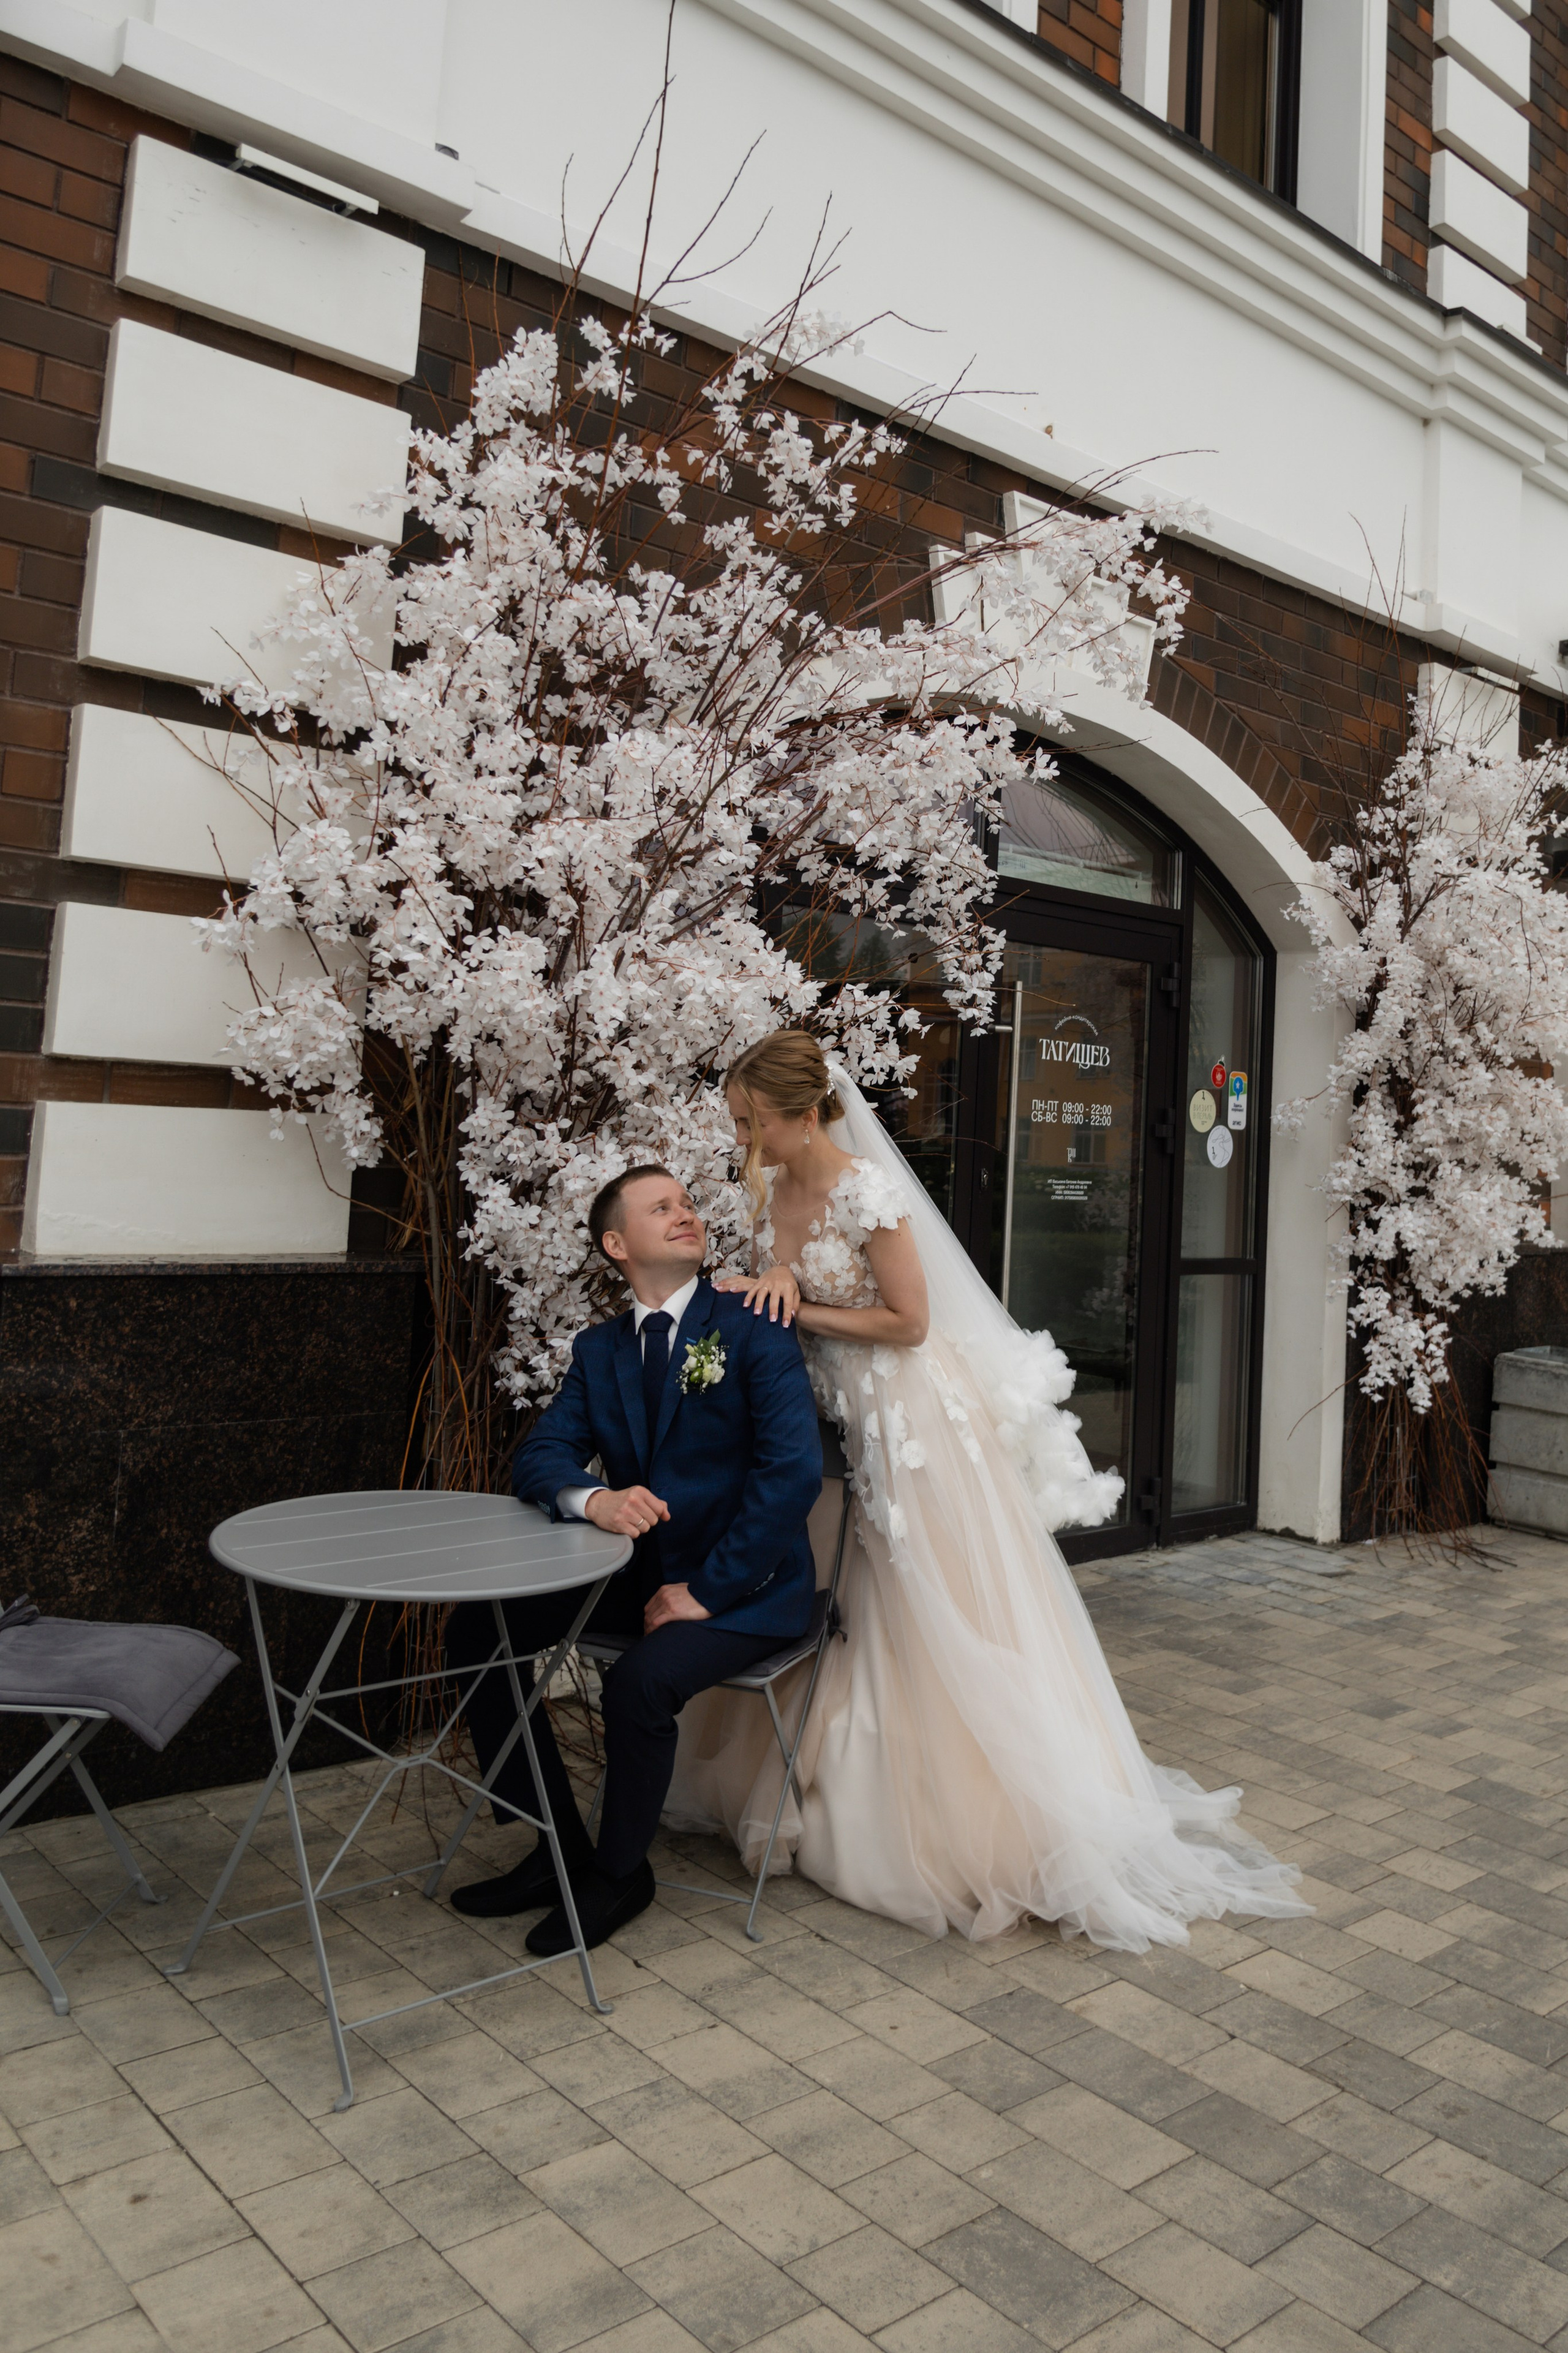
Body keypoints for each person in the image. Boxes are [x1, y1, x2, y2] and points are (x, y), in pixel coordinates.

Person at [668, 1030, 1310, 1951]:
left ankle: (963, 1817)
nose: (742, 1138)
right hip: (820, 1415)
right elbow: (790, 1280)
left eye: (752, 1120)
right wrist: (771, 1277)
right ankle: (810, 1774)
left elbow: (909, 1322)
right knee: (831, 1589)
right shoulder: (768, 1185)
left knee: (920, 1595)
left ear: (804, 1113)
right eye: (738, 1121)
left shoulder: (869, 1191)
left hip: (903, 1412)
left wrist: (799, 1304)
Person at [443, 1165, 822, 1955]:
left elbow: (791, 1475)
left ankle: (619, 1874)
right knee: (479, 1631)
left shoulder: (753, 1326)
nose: (686, 1214)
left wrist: (707, 1591)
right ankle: (555, 1847)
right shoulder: (600, 1350)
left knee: (637, 1682)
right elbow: (540, 1455)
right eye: (661, 1208)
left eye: (687, 1203)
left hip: (747, 1588)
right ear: (617, 1245)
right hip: (640, 1577)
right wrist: (596, 1501)